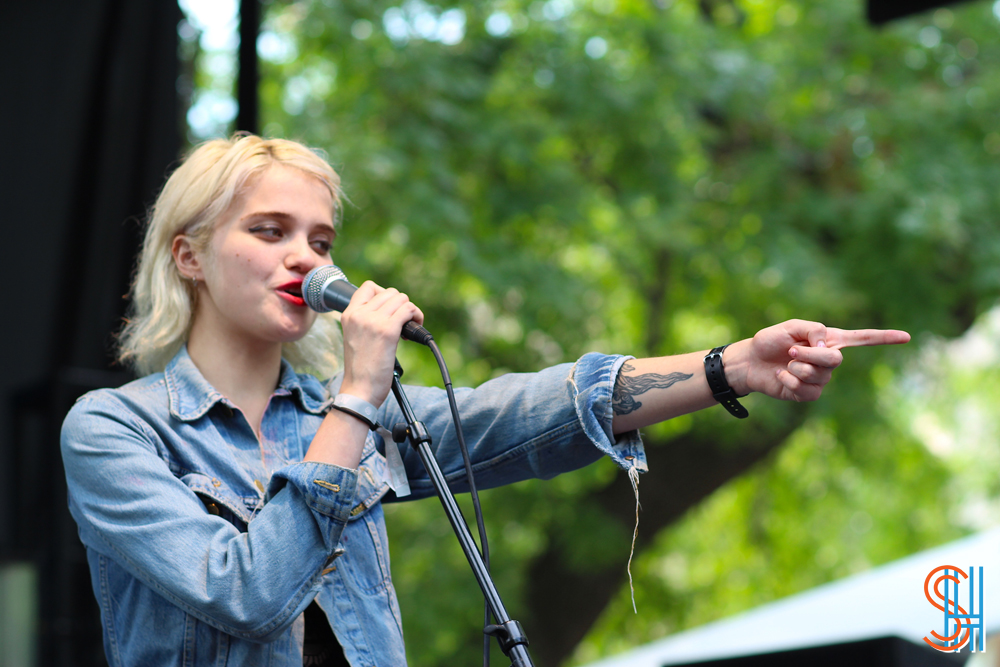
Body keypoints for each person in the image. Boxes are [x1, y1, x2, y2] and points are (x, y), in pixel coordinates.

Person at [60, 134, 910, 667]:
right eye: (269, 230)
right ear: (190, 256)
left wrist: (729, 367)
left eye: (320, 238)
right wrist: (357, 393)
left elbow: (527, 413)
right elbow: (245, 591)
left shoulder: (353, 413)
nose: (306, 258)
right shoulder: (113, 432)